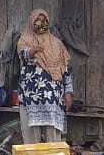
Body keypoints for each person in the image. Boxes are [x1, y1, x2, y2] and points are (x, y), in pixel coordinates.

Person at [17, 9, 75, 143]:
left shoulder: (57, 43)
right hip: (30, 97)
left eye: (44, 21)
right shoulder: (24, 40)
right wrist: (33, 51)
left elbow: (65, 70)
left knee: (53, 136)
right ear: (32, 22)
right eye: (38, 20)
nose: (41, 23)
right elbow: (23, 55)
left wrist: (69, 92)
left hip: (53, 97)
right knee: (31, 136)